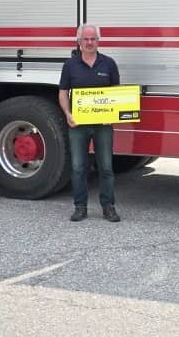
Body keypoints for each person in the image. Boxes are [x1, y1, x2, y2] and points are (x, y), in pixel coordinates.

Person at [58, 24, 121, 223]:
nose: (89, 42)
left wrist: (114, 114)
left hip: (103, 125)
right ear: (79, 41)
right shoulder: (70, 65)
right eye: (85, 39)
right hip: (78, 125)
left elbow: (116, 93)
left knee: (106, 167)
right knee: (78, 167)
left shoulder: (109, 64)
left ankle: (108, 207)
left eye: (93, 39)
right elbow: (62, 93)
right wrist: (67, 113)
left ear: (98, 41)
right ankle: (80, 207)